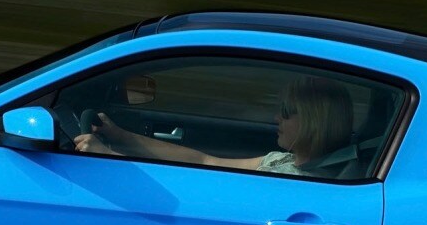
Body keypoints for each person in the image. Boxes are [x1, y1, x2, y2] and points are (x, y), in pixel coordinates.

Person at [73, 75, 354, 176]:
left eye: (286, 112)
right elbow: (205, 159)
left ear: (314, 121)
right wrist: (122, 136)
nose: (275, 119)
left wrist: (110, 157)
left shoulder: (299, 180)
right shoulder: (283, 160)